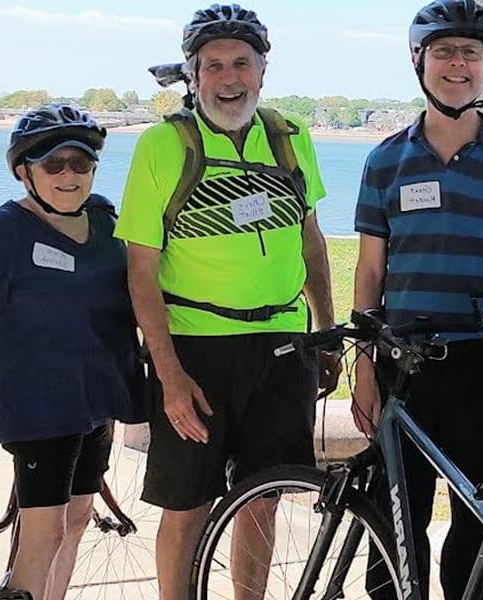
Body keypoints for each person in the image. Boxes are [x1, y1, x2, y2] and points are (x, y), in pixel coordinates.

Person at [113, 4, 336, 598]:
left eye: (242, 62)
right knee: (187, 504)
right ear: (193, 75)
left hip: (284, 344)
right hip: (196, 349)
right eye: (213, 65)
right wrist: (169, 375)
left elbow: (309, 240)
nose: (229, 77)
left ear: (263, 71)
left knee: (260, 500)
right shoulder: (164, 145)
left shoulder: (292, 137)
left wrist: (327, 329)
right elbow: (141, 271)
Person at [350, 0, 483, 595]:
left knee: (476, 516)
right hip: (400, 363)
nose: (457, 64)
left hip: (480, 359)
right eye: (443, 52)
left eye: (471, 54)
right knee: (394, 516)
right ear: (418, 61)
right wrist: (362, 367)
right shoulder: (385, 160)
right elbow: (369, 271)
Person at [0, 104, 144, 600]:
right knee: (42, 532)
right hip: (38, 403)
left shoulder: (108, 223)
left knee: (77, 519)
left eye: (81, 163)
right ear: (25, 172)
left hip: (98, 397)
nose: (69, 175)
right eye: (54, 164)